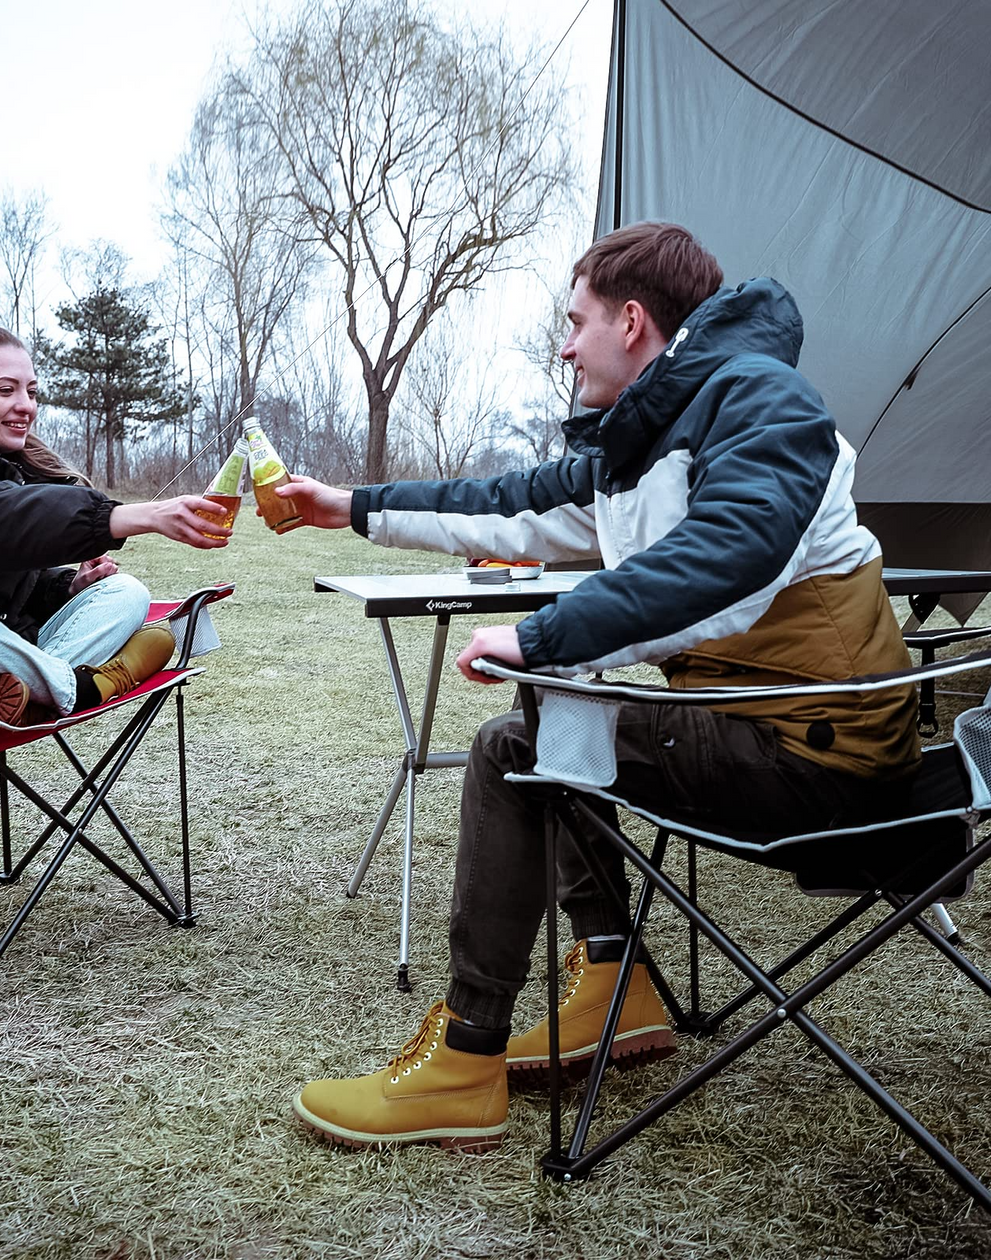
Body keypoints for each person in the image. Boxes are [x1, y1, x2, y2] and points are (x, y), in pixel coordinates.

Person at [280, 222, 921, 1152]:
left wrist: (542, 637)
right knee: (557, 722)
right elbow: (515, 503)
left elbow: (731, 559)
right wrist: (353, 506)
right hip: (758, 726)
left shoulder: (762, 402)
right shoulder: (652, 434)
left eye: (575, 322)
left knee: (518, 744)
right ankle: (618, 984)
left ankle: (467, 1059)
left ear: (631, 321)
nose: (565, 343)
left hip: (822, 751)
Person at [0, 323, 231, 726]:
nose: (26, 406)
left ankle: (27, 693)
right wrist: (125, 516)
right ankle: (84, 688)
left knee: (125, 592)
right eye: (5, 390)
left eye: (31, 392)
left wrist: (65, 588)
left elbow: (1, 581)